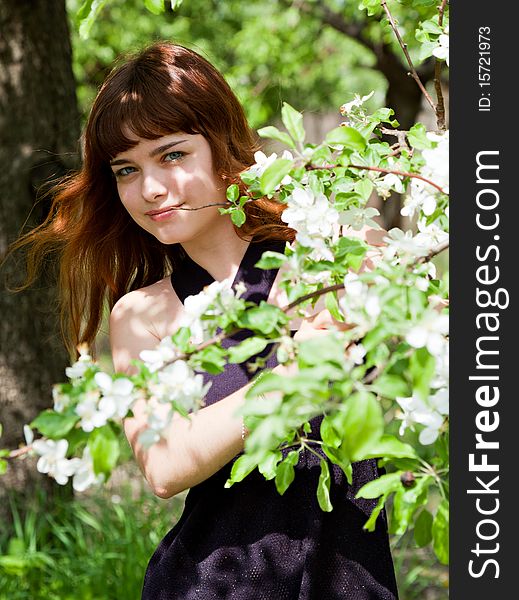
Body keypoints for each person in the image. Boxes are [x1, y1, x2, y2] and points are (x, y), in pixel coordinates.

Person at [13, 42, 399, 599]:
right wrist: (293, 375)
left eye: (171, 155)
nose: (149, 188)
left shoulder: (336, 254)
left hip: (352, 580)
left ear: (222, 145)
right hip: (211, 585)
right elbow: (165, 465)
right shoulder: (144, 315)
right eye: (127, 169)